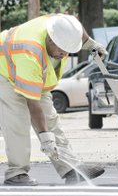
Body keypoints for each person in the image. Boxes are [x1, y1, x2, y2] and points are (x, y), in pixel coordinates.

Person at [0, 13, 107, 186]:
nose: (63, 54)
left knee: (51, 119)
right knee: (17, 122)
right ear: (50, 39)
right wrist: (44, 137)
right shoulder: (29, 51)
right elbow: (32, 103)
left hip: (31, 72)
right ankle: (16, 173)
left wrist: (91, 44)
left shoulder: (61, 25)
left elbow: (76, 28)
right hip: (4, 71)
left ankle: (71, 169)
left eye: (67, 51)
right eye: (61, 50)